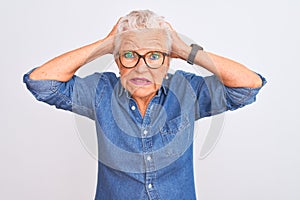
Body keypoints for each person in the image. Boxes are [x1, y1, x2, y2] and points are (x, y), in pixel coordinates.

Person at [23, 10, 266, 200]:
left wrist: (184, 50)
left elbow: (248, 85)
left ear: (168, 61)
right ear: (117, 61)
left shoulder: (186, 90)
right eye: (129, 55)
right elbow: (41, 82)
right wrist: (106, 45)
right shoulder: (101, 92)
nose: (142, 67)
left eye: (154, 55)